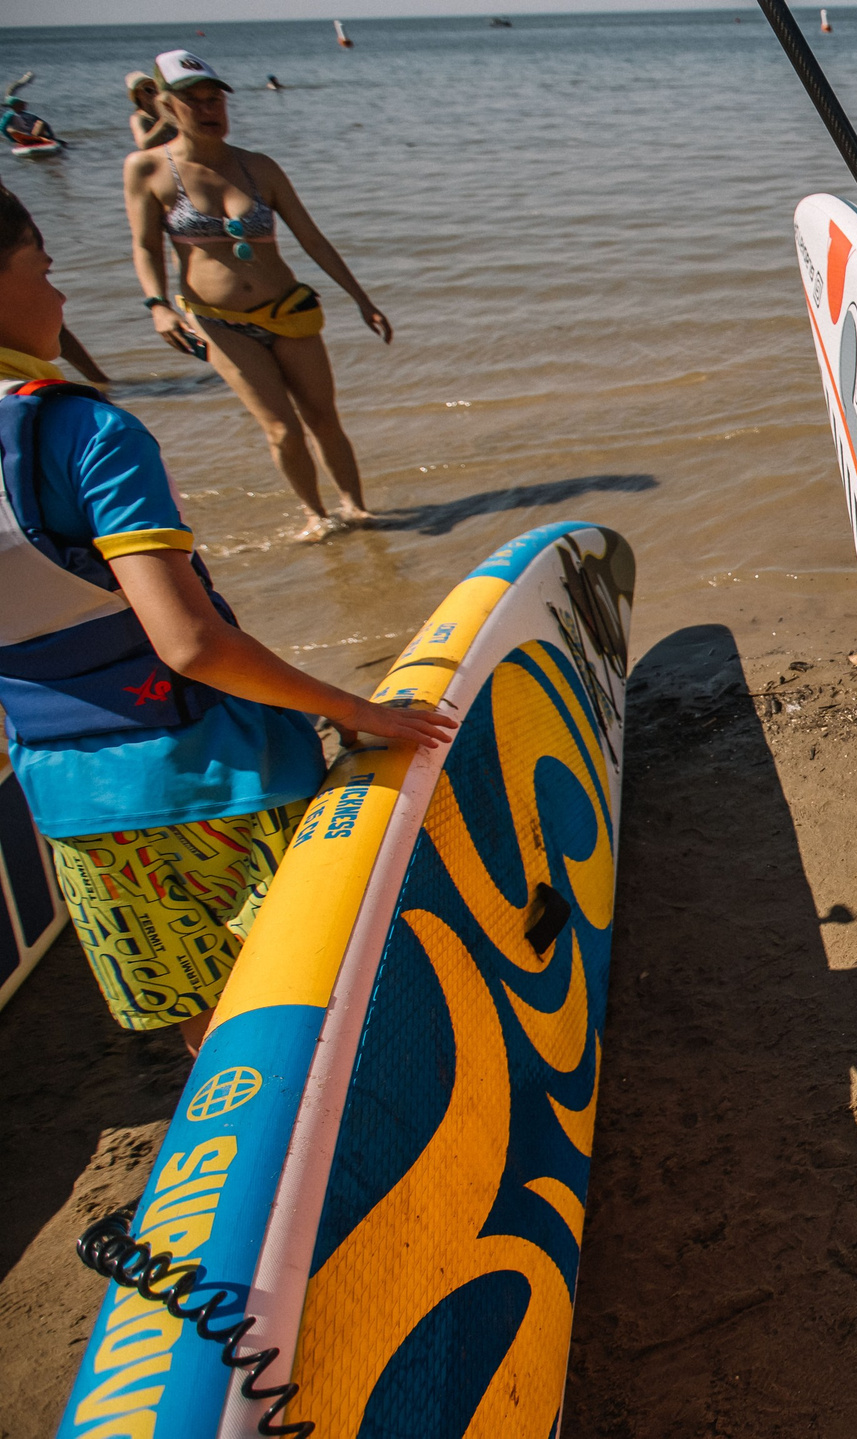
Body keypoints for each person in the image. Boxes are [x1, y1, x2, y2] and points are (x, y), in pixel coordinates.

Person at [0, 188, 455, 1054]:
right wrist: (354, 710)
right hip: (221, 786)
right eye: (44, 268)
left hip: (73, 811)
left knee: (217, 1033)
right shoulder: (84, 432)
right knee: (318, 1000)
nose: (61, 298)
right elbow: (190, 643)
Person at [124, 50, 392, 543]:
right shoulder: (147, 170)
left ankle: (356, 508)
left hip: (288, 310)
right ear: (165, 106)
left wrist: (361, 297)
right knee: (282, 429)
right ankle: (317, 516)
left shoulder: (259, 167)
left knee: (323, 417)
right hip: (218, 320)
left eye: (214, 99)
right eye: (193, 101)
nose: (209, 109)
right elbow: (144, 245)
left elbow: (312, 238)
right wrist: (157, 304)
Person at [125, 71, 175, 150]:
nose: (154, 93)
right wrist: (164, 123)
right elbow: (143, 145)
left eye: (156, 89)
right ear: (138, 94)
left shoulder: (165, 111)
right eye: (149, 90)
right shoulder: (138, 118)